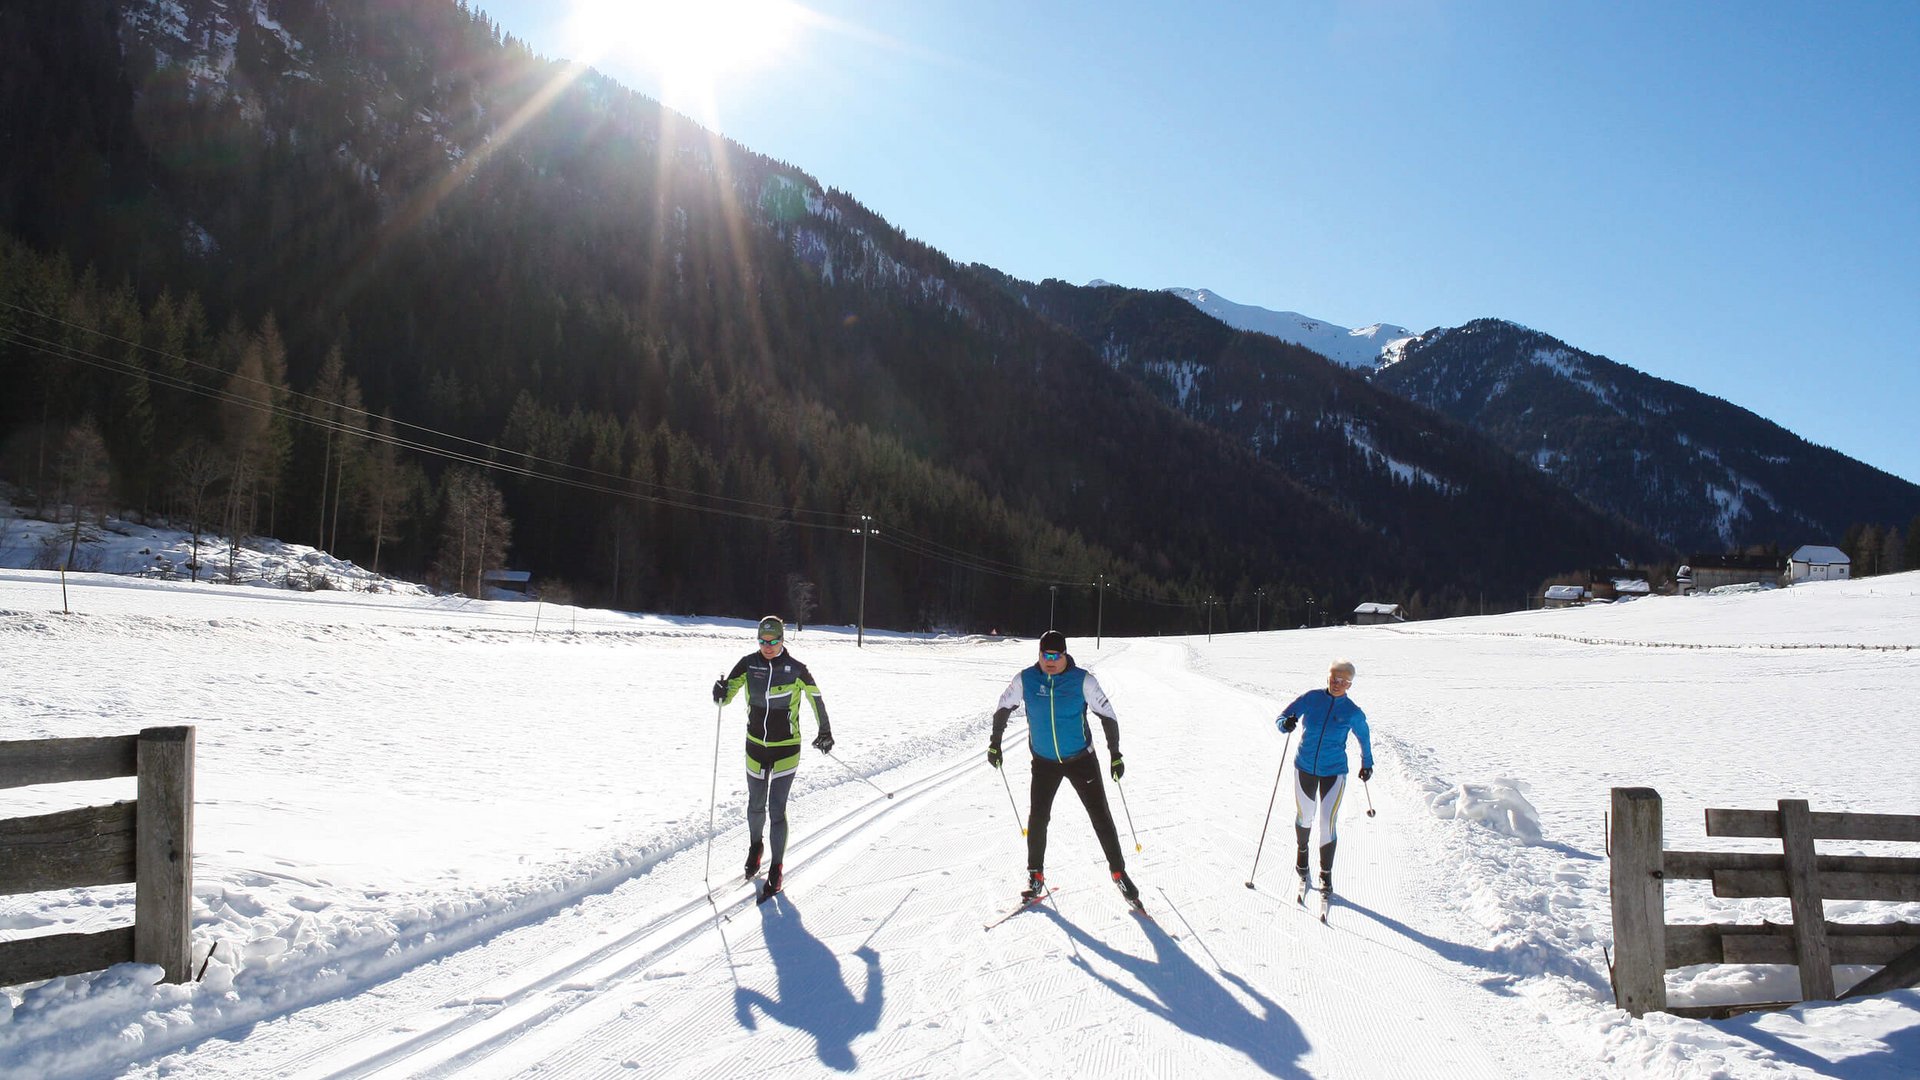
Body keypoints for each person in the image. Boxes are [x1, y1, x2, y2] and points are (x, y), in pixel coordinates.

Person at [986, 630, 1139, 905]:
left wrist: (1115, 754)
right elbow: (1003, 706)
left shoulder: (1083, 681)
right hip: (1044, 763)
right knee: (1038, 818)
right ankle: (1035, 876)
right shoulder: (1026, 679)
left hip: (1081, 760)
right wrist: (994, 743)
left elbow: (1107, 715)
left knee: (1100, 815)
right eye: (1046, 655)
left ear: (1065, 654)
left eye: (1056, 655)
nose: (1051, 661)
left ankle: (1119, 873)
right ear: (1040, 655)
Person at [713, 615, 833, 898]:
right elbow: (725, 696)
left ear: (782, 639)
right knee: (755, 805)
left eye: (773, 641)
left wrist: (825, 730)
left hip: (787, 749)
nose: (767, 646)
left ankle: (777, 867)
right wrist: (719, 691)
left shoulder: (796, 670)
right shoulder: (748, 664)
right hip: (755, 745)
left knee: (776, 808)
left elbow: (816, 699)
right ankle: (756, 847)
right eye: (763, 641)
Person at [1276, 659, 1373, 900]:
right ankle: (1302, 854)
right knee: (1305, 815)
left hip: (1334, 772)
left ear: (1350, 684)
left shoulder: (1352, 712)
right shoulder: (1311, 698)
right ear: (1328, 678)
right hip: (1305, 767)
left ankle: (1325, 873)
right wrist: (1285, 724)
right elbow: (1283, 717)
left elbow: (1364, 737)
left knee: (1327, 823)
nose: (1338, 684)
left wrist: (1367, 763)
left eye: (1343, 681)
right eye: (1334, 678)